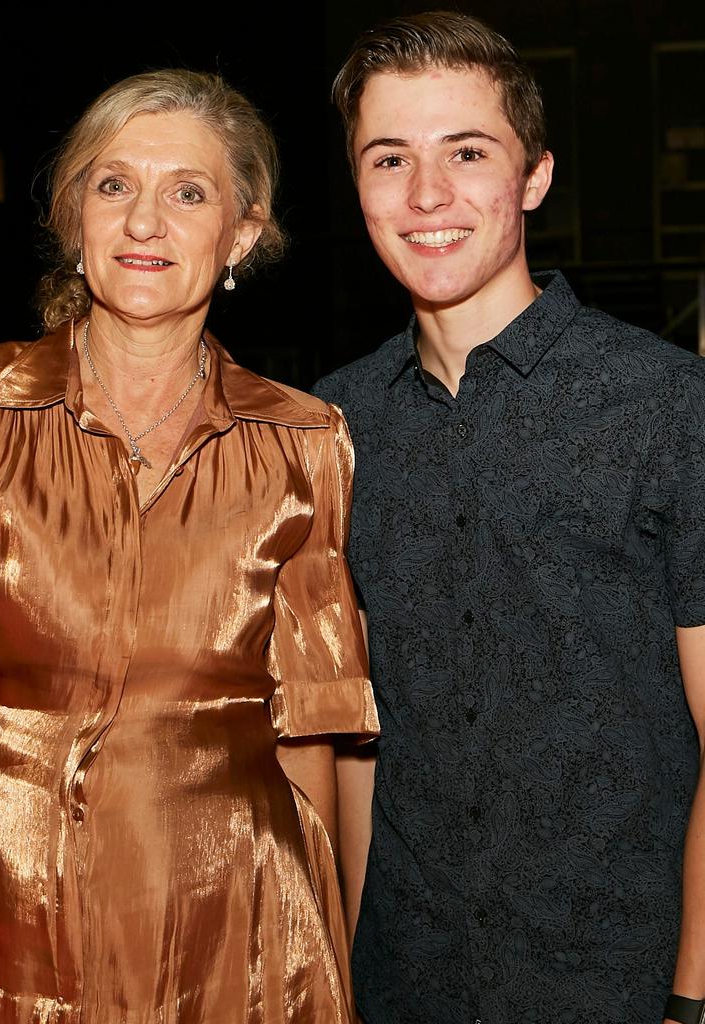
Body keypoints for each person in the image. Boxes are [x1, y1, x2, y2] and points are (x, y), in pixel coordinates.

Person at [0, 69, 378, 1024]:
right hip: (5, 911)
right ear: (73, 218)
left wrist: (325, 959)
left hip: (240, 926)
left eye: (188, 192)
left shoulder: (305, 440)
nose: (145, 221)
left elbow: (311, 730)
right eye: (113, 185)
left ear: (241, 237)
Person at [314, 11, 705, 1024]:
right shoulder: (329, 427)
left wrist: (690, 998)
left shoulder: (669, 406)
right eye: (390, 157)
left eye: (467, 152)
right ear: (357, 187)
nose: (428, 195)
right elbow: (356, 744)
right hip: (406, 985)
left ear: (532, 177)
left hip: (619, 987)